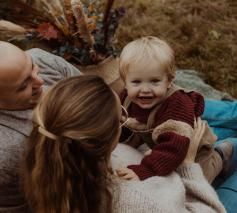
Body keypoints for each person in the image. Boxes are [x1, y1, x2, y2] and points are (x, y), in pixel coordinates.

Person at [23, 75, 226, 213]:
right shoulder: (137, 203)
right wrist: (188, 166)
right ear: (110, 137)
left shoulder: (47, 164)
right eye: (121, 116)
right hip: (193, 195)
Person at [117, 36, 233, 183]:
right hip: (164, 142)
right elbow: (122, 125)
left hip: (194, 151)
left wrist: (146, 169)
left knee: (197, 181)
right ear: (125, 82)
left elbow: (174, 148)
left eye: (154, 81)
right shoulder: (126, 99)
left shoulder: (177, 104)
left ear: (169, 81)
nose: (145, 89)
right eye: (136, 82)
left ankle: (220, 156)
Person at [0, 41, 81, 212]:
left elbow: (94, 94)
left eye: (32, 67)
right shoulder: (5, 153)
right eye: (24, 86)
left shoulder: (42, 58)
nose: (40, 80)